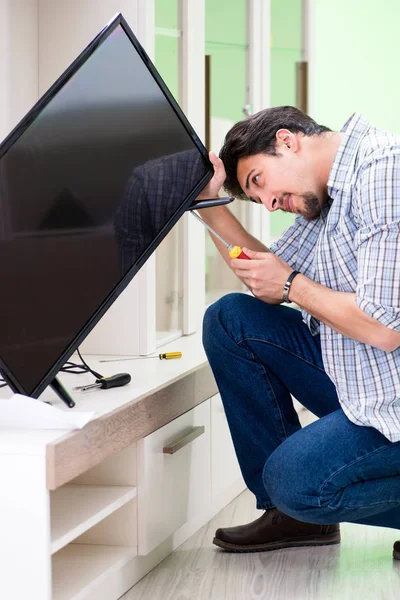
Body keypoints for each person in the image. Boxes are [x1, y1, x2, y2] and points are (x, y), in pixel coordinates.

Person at [197, 106, 400, 558]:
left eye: (258, 182)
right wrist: (207, 204)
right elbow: (265, 278)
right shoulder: (326, 193)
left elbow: (385, 328)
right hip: (370, 375)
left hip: (394, 391)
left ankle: (298, 504)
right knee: (231, 319)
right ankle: (290, 518)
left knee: (295, 480)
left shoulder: (383, 172)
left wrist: (291, 285)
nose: (268, 204)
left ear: (287, 141)